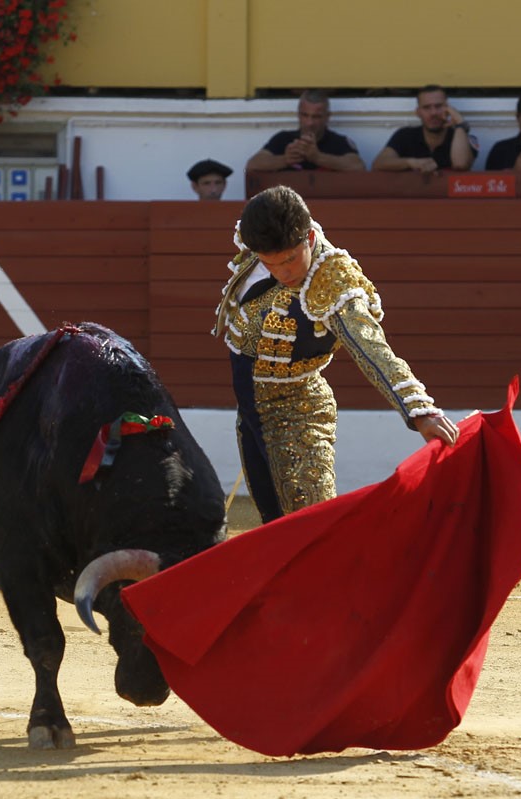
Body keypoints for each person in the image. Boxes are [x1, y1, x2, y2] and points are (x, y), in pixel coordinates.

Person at [212, 185, 458, 523]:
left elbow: (371, 347)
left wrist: (419, 410)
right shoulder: (257, 234)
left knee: (313, 525)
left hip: (295, 412)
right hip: (251, 409)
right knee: (275, 522)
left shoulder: (334, 283)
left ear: (309, 238)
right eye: (271, 263)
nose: (283, 274)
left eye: (290, 260)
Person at [246, 90, 365, 173]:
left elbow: (358, 166)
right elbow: (253, 165)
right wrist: (285, 159)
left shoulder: (339, 142)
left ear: (327, 117)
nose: (310, 123)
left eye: (316, 117)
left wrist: (318, 158)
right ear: (298, 115)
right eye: (305, 115)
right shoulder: (283, 139)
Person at [372, 85, 476, 172]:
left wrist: (460, 124)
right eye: (426, 107)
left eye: (438, 106)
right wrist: (411, 162)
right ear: (418, 112)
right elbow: (378, 164)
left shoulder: (462, 138)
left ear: (448, 109)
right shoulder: (405, 135)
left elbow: (461, 165)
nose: (433, 113)